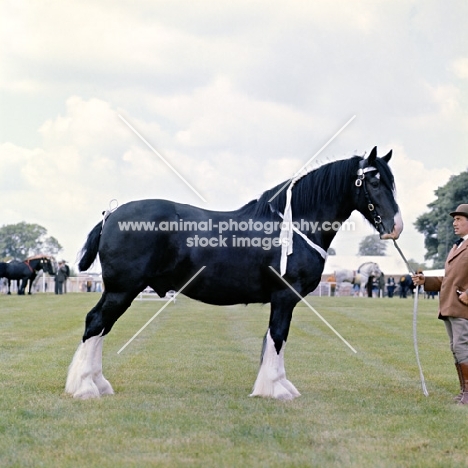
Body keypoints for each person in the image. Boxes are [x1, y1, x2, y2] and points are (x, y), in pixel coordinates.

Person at [413, 204, 468, 404]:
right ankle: (464, 391)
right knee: (456, 348)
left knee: (462, 347)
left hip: (463, 307)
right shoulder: (457, 246)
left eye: (459, 219)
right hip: (451, 306)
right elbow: (449, 279)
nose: (455, 223)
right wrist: (425, 281)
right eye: (454, 219)